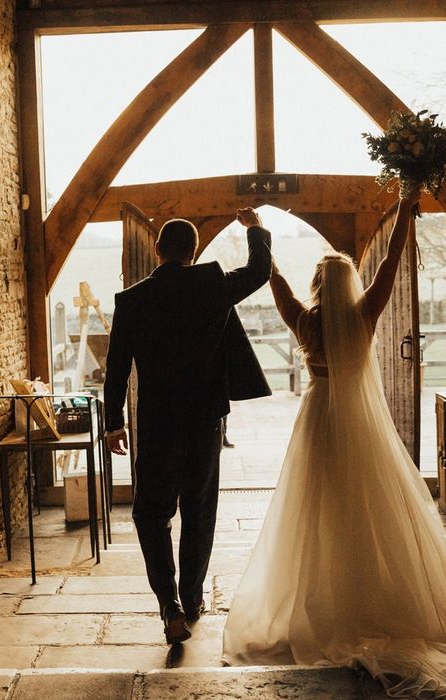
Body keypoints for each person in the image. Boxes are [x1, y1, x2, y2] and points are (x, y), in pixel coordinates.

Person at [223, 189, 446, 697]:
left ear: (319, 285)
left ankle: (322, 601)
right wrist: (405, 219)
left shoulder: (304, 322)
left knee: (316, 513)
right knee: (369, 509)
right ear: (352, 285)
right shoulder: (365, 317)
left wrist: (255, 232)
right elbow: (390, 263)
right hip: (360, 424)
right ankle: (372, 596)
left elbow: (274, 282)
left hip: (319, 422)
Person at [104, 210, 272, 644]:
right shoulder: (212, 285)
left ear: (158, 250)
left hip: (157, 422)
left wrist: (112, 424)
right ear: (194, 251)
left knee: (151, 514)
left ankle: (168, 604)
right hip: (204, 420)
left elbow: (117, 369)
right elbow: (259, 271)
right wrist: (253, 228)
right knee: (199, 512)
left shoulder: (132, 300)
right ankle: (193, 598)